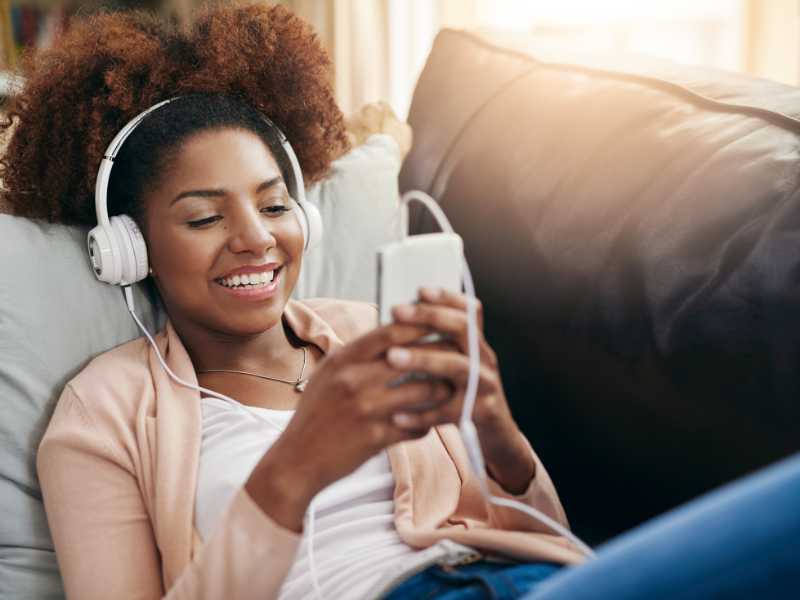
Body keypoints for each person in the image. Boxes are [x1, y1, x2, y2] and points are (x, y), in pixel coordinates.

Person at [1, 4, 580, 599]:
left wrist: (497, 435)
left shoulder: (371, 330)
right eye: (204, 217)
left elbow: (553, 538)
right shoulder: (103, 414)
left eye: (275, 206)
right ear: (128, 247)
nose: (257, 238)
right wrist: (292, 470)